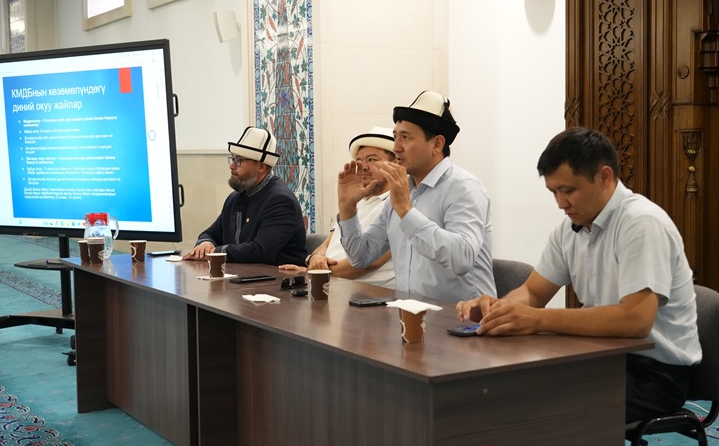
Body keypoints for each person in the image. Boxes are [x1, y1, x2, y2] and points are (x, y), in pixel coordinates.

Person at [456, 127, 702, 423]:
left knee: (538, 405)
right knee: (505, 386)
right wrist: (499, 309)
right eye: (553, 192)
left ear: (605, 177)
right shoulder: (569, 229)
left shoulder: (641, 223)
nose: (560, 203)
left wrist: (537, 319)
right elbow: (533, 292)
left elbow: (635, 320)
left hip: (654, 374)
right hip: (598, 355)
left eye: (568, 190)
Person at [335, 90, 496, 302]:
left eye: (406, 137)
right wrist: (347, 207)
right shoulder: (403, 190)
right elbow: (361, 257)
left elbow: (462, 259)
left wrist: (406, 210)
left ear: (437, 144)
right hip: (410, 313)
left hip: (461, 316)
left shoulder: (464, 188)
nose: (396, 148)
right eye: (395, 137)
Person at [278, 126, 396, 288]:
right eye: (359, 160)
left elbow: (369, 262)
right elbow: (326, 244)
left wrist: (312, 272)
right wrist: (316, 258)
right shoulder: (357, 202)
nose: (364, 166)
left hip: (366, 294)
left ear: (395, 164)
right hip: (330, 284)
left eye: (372, 159)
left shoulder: (397, 203)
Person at [183, 126, 307, 266]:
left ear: (261, 167)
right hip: (241, 276)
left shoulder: (280, 201)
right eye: (233, 159)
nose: (232, 166)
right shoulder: (233, 199)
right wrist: (205, 244)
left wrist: (215, 252)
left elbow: (260, 251)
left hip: (276, 278)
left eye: (239, 160)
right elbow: (211, 233)